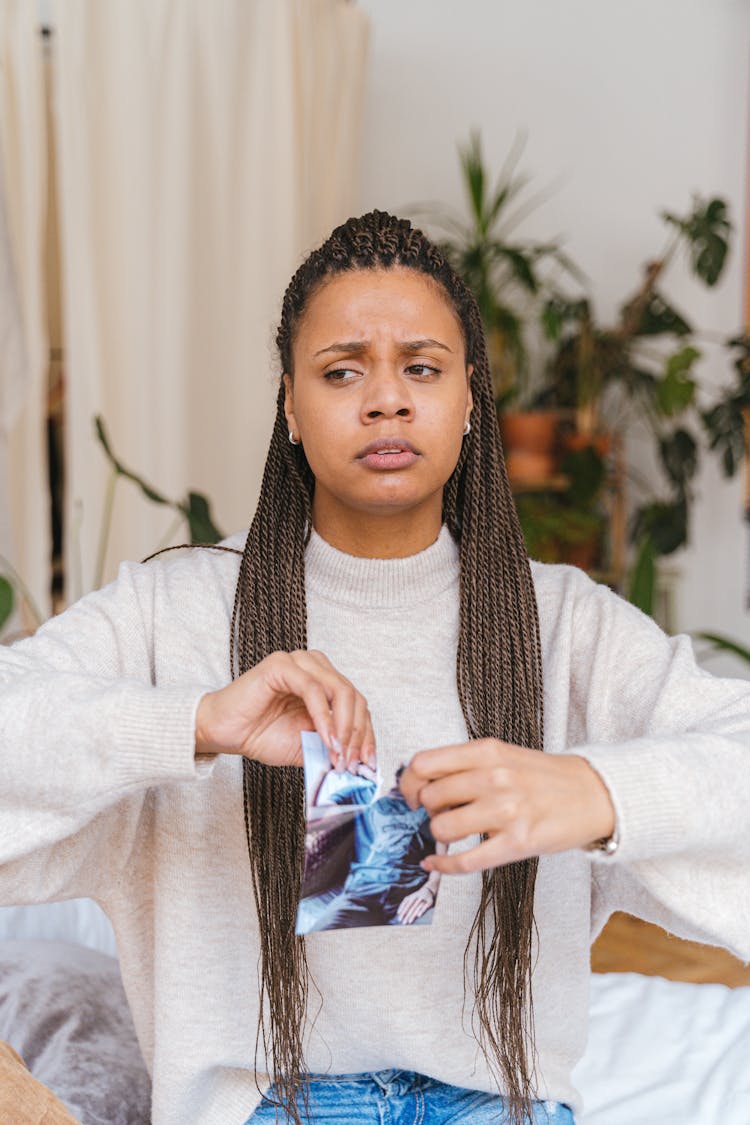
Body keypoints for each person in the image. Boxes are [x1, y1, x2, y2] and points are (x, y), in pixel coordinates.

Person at [0, 210, 748, 1125]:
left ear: (472, 395)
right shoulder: (172, 612)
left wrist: (593, 788)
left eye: (422, 368)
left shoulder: (565, 625)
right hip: (266, 1104)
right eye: (342, 369)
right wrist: (195, 723)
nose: (386, 399)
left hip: (499, 1101)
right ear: (289, 403)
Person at [303, 764, 447, 930]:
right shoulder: (356, 794)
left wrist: (431, 887)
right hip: (362, 893)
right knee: (323, 936)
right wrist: (323, 773)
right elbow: (311, 821)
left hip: (409, 895)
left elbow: (446, 845)